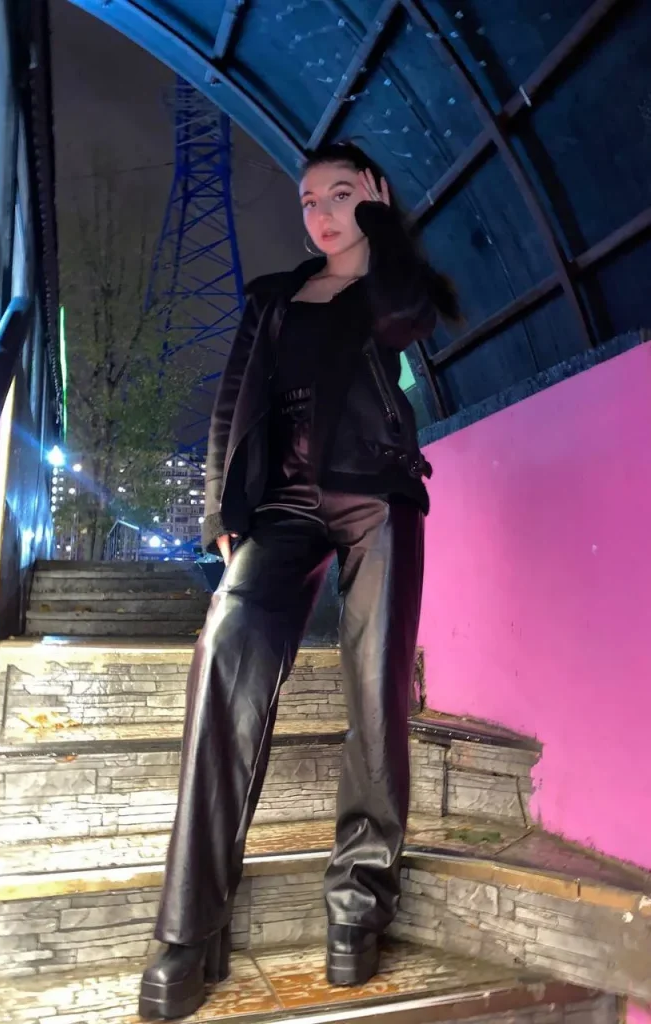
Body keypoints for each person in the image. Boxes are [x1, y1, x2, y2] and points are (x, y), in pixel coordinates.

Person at [139, 140, 459, 1021]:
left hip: (375, 497)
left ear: (374, 196)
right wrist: (220, 507)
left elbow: (409, 320)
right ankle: (188, 928)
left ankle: (358, 907)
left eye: (341, 195)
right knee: (225, 652)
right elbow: (230, 403)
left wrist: (382, 229)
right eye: (309, 199)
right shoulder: (273, 297)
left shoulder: (391, 287)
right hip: (279, 508)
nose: (321, 214)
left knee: (375, 690)